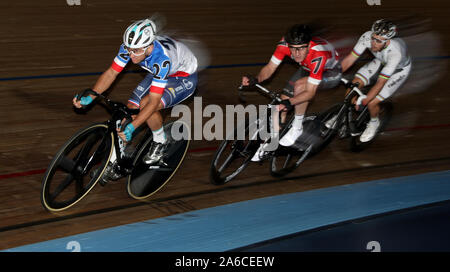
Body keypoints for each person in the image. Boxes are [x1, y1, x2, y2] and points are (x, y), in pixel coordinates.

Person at [73, 18, 198, 182]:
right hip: (161, 72)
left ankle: (160, 142)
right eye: (129, 49)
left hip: (183, 78)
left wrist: (134, 126)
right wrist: (92, 96)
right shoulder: (132, 47)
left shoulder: (161, 60)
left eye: (136, 51)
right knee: (130, 109)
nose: (131, 55)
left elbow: (153, 102)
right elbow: (112, 73)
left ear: (148, 47)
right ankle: (113, 161)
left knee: (146, 104)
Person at [242, 24, 342, 161]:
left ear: (308, 45)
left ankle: (297, 127)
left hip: (330, 72)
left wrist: (290, 102)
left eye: (301, 49)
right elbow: (270, 68)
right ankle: (271, 142)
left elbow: (310, 93)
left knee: (300, 87)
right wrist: (257, 79)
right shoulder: (284, 44)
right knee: (281, 104)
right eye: (293, 49)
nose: (296, 54)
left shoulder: (318, 54)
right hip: (307, 67)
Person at [338, 19, 411, 142]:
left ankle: (374, 122)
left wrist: (366, 100)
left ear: (388, 41)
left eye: (378, 41)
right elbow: (350, 59)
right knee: (354, 84)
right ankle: (340, 116)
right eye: (373, 37)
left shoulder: (395, 53)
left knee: (372, 102)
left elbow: (380, 83)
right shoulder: (367, 36)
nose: (373, 43)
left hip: (397, 71)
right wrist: (334, 74)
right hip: (381, 61)